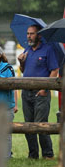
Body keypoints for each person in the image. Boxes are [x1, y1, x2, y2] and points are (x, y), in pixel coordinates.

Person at [18, 24, 59, 159]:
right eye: (28, 34)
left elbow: (54, 70)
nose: (29, 36)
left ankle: (48, 154)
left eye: (32, 33)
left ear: (39, 35)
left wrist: (44, 88)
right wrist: (21, 62)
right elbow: (23, 71)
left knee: (41, 124)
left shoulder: (48, 49)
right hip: (26, 92)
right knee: (28, 125)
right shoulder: (27, 50)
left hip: (40, 93)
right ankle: (33, 155)